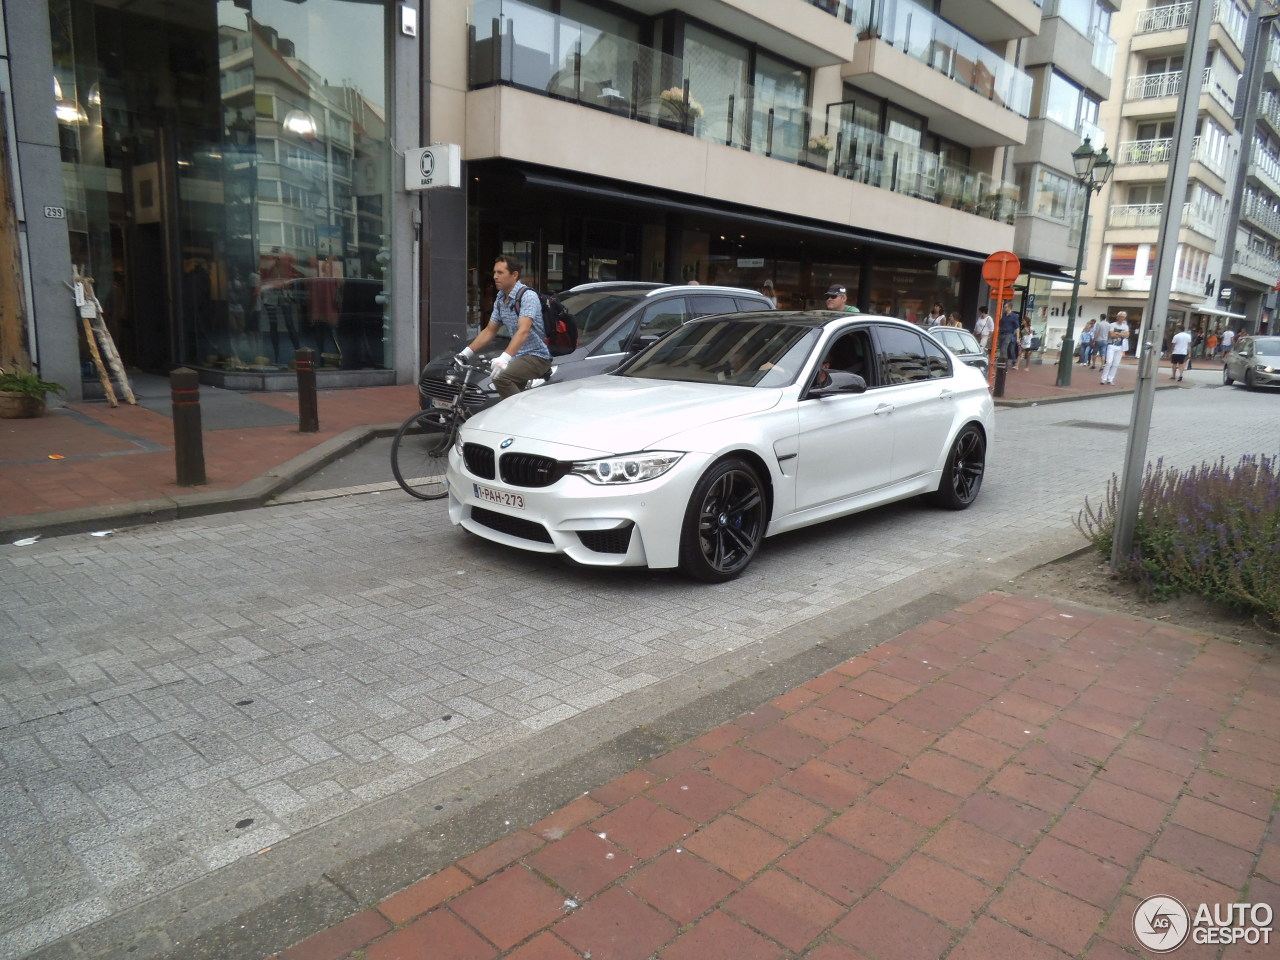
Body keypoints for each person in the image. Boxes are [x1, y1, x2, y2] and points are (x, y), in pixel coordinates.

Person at [455, 255, 552, 399]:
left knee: (501, 378)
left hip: (537, 356)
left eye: (500, 273)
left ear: (514, 275)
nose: (495, 276)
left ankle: (523, 415)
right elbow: (489, 330)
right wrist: (465, 354)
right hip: (518, 356)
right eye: (494, 272)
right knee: (509, 397)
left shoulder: (527, 296)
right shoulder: (501, 298)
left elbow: (523, 331)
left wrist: (504, 358)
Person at [1100, 310, 1129, 384]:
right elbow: (1111, 335)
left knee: (1116, 364)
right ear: (1117, 317)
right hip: (1111, 345)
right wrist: (1121, 334)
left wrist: (1117, 333)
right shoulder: (1112, 325)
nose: (1121, 319)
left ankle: (1110, 379)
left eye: (1123, 317)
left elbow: (1127, 335)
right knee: (1109, 362)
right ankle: (1104, 378)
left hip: (1120, 346)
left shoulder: (1125, 326)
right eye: (1120, 317)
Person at [998, 303, 1020, 368]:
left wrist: (1018, 338)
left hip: (1008, 334)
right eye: (1004, 307)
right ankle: (1002, 363)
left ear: (1009, 308)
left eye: (1005, 307)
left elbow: (1017, 327)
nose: (1004, 308)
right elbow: (1000, 324)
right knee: (1001, 348)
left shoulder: (1014, 316)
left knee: (1004, 348)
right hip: (1002, 333)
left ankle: (1004, 365)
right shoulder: (1003, 315)